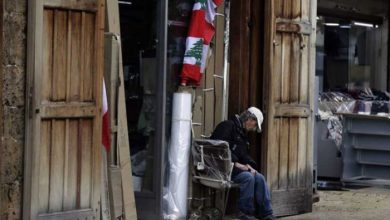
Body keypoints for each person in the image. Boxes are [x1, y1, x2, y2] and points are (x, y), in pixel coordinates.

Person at [210, 107, 275, 220]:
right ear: (250, 119)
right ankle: (245, 214)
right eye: (255, 125)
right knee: (248, 177)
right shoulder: (227, 126)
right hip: (221, 169)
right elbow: (218, 148)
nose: (253, 128)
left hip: (233, 169)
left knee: (259, 177)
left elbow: (243, 155)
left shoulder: (242, 134)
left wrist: (249, 165)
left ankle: (266, 214)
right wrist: (237, 163)